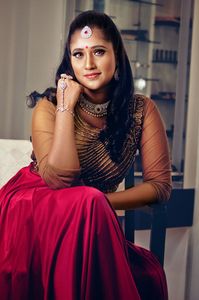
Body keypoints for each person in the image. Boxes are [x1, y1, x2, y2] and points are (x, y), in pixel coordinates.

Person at [0, 10, 171, 300]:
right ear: (70, 63)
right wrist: (67, 105)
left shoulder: (142, 110)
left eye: (99, 51)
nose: (88, 64)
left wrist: (102, 202)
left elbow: (159, 187)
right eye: (78, 55)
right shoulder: (50, 106)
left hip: (88, 215)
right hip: (33, 207)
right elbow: (57, 178)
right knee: (86, 199)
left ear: (117, 56)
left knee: (147, 274)